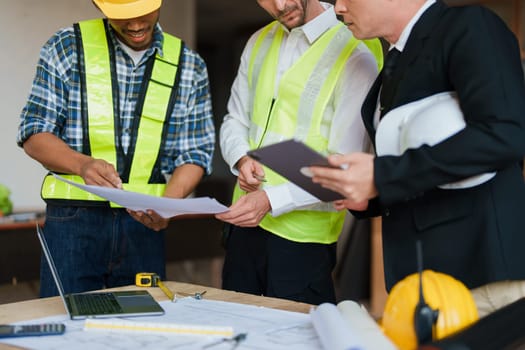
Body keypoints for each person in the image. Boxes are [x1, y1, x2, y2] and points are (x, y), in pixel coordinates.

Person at [309, 0, 525, 317]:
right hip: (421, 286)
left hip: (484, 277)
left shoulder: (470, 26)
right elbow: (417, 172)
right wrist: (368, 196)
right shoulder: (394, 62)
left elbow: (506, 133)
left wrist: (382, 176)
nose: (338, 7)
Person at [17, 0, 215, 297]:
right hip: (73, 223)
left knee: (141, 332)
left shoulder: (189, 65)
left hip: (145, 226)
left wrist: (167, 205)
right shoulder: (67, 47)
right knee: (68, 333)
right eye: (122, 16)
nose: (135, 25)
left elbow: (196, 153)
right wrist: (82, 165)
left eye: (143, 12)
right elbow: (34, 132)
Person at [215, 0, 382, 305]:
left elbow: (344, 172)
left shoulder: (356, 51)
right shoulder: (258, 41)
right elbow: (234, 120)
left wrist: (271, 199)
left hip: (304, 243)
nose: (280, 4)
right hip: (244, 229)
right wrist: (241, 157)